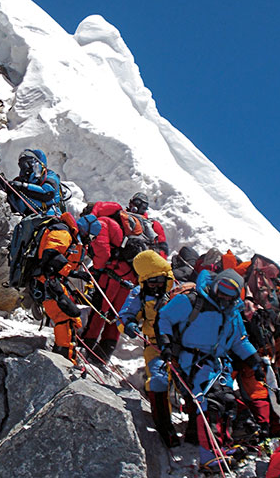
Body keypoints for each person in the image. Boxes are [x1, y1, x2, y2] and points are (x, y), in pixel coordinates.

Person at [156, 268, 263, 471]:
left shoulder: (232, 313)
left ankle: (222, 448)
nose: (223, 296)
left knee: (228, 403)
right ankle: (209, 455)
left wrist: (254, 361)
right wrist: (166, 343)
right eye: (221, 290)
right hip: (193, 359)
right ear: (214, 285)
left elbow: (240, 340)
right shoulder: (192, 300)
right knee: (210, 402)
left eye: (229, 294)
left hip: (220, 364)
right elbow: (164, 318)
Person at [117, 250, 179, 447]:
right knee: (159, 380)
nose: (157, 285)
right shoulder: (139, 293)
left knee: (191, 383)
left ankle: (196, 429)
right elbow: (125, 315)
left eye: (160, 280)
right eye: (151, 282)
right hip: (155, 345)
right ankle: (164, 426)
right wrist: (128, 325)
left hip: (183, 345)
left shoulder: (179, 289)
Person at [30, 212, 94, 363]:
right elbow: (50, 256)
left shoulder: (66, 234)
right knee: (64, 318)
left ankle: (65, 354)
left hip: (51, 282)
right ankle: (63, 357)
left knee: (71, 318)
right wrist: (72, 273)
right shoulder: (63, 233)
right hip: (46, 282)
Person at [79, 201, 137, 365]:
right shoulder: (116, 222)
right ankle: (104, 352)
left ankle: (87, 345)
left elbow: (103, 253)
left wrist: (96, 268)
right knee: (115, 314)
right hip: (128, 276)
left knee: (100, 309)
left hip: (112, 274)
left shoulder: (102, 223)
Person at [6, 149, 63, 215]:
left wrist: (23, 186)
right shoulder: (22, 180)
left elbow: (47, 194)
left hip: (50, 218)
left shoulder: (50, 177)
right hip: (29, 221)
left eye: (28, 164)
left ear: (39, 164)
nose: (26, 168)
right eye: (23, 165)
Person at [128, 192, 169, 257]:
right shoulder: (121, 218)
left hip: (143, 261)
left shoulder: (153, 225)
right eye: (136, 203)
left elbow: (163, 250)